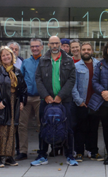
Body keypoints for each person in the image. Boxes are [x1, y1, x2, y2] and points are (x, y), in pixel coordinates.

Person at [32, 36, 77, 166]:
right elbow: (38, 79)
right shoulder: (43, 60)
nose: (55, 45)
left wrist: (60, 96)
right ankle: (42, 155)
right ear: (48, 45)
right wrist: (46, 96)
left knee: (68, 127)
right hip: (46, 100)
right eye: (52, 43)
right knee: (44, 127)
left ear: (61, 44)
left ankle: (69, 155)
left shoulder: (68, 60)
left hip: (64, 100)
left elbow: (72, 79)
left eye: (57, 43)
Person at [0, 46, 27, 167]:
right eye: (3, 55)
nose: (6, 57)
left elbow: (23, 89)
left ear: (12, 56)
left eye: (8, 54)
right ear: (0, 58)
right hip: (1, 104)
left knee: (11, 130)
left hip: (14, 102)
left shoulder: (17, 71)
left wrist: (22, 101)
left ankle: (9, 156)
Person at [71, 42, 102, 161]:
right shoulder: (76, 66)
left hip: (95, 103)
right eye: (84, 49)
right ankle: (79, 152)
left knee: (93, 128)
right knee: (80, 128)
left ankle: (93, 151)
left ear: (92, 51)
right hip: (81, 102)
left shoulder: (99, 65)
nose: (86, 51)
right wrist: (78, 100)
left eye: (88, 49)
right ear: (80, 51)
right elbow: (73, 85)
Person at [17, 39, 43, 161]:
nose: (34, 48)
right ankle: (22, 151)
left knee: (41, 125)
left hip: (40, 97)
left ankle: (42, 150)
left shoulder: (45, 61)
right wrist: (21, 98)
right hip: (26, 97)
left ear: (42, 47)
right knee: (22, 125)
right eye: (32, 46)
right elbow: (20, 80)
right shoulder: (25, 62)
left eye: (37, 46)